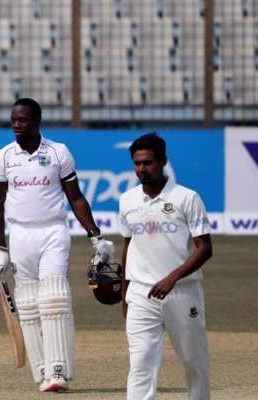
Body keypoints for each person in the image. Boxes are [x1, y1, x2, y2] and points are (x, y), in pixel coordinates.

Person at [0, 98, 114, 393]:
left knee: (54, 299)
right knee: (29, 305)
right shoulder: (3, 157)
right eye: (13, 120)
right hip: (20, 236)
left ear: (37, 121)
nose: (16, 125)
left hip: (53, 232)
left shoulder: (58, 152)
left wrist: (95, 235)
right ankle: (42, 370)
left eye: (23, 120)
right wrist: (0, 250)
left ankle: (59, 371)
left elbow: (76, 198)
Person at [119, 133, 212, 400]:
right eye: (137, 163)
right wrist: (125, 294)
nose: (141, 169)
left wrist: (172, 278)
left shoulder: (187, 198)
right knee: (140, 364)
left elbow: (205, 248)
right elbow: (129, 246)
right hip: (140, 294)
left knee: (193, 361)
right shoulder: (128, 200)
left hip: (182, 291)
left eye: (147, 163)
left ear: (162, 161)